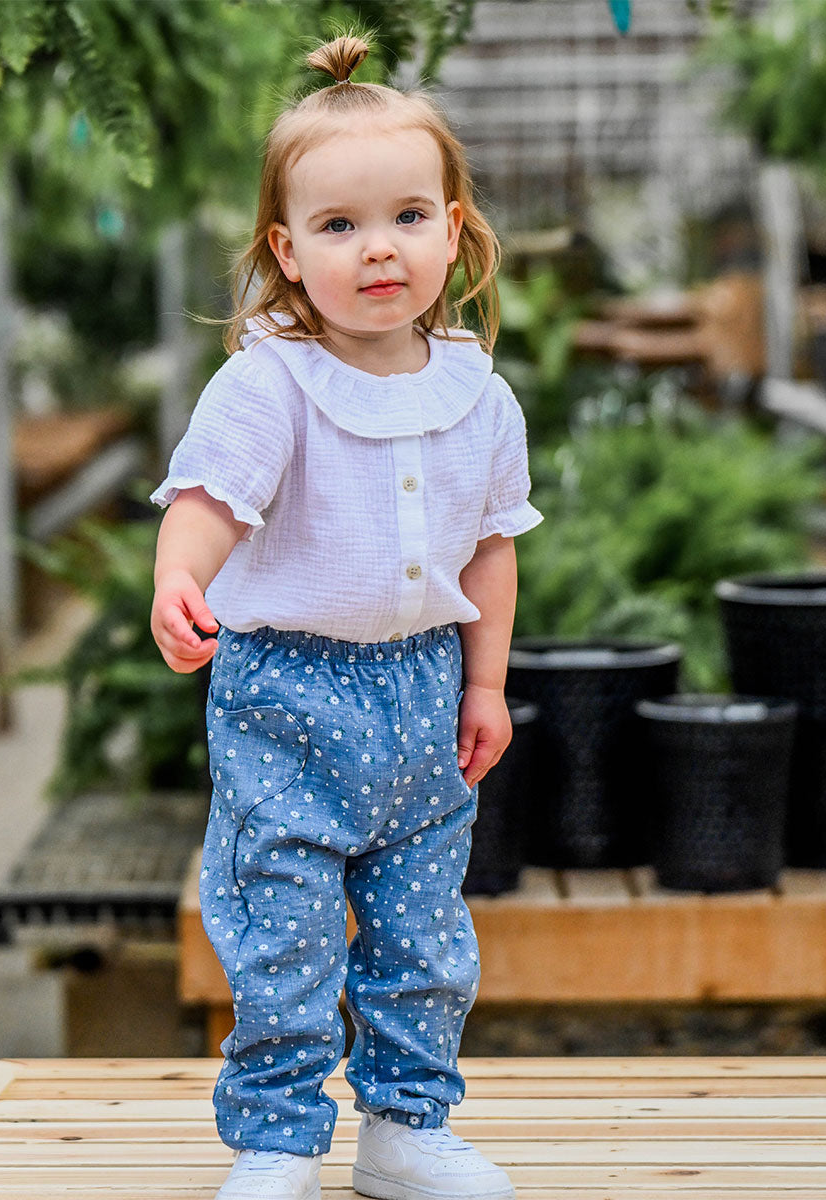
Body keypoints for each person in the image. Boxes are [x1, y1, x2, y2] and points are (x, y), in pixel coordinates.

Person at [150, 34, 541, 1200]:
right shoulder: (271, 380)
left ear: (456, 227)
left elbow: (490, 548)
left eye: (409, 216)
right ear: (288, 248)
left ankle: (405, 1127)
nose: (379, 247)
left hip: (424, 693)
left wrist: (485, 685)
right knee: (285, 931)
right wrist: (180, 578)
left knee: (424, 939)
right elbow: (210, 502)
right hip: (286, 692)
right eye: (337, 226)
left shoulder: (478, 389)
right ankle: (276, 1144)